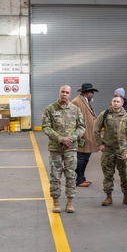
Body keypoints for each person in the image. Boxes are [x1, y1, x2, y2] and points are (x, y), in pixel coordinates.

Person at [41, 84, 85, 214]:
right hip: (55, 148)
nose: (64, 94)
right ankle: (56, 202)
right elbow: (46, 127)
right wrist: (61, 139)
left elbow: (81, 127)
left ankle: (70, 202)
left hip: (71, 149)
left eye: (67, 92)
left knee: (71, 175)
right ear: (59, 93)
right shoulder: (50, 109)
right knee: (55, 175)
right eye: (62, 92)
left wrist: (71, 139)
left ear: (70, 95)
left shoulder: (76, 110)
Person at [93, 93, 127, 206]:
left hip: (122, 151)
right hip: (108, 150)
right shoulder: (105, 114)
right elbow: (96, 129)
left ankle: (126, 196)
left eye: (118, 101)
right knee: (108, 175)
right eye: (114, 101)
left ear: (122, 103)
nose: (116, 103)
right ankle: (108, 197)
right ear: (111, 102)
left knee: (125, 174)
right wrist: (99, 144)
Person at [71, 83, 98, 187]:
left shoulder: (85, 101)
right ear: (87, 93)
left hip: (89, 134)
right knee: (81, 158)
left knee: (85, 157)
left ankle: (81, 178)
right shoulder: (76, 102)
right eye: (92, 92)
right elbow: (73, 119)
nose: (93, 94)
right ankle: (79, 179)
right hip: (83, 135)